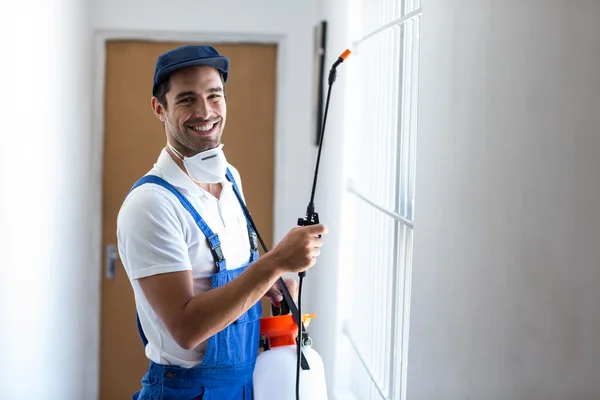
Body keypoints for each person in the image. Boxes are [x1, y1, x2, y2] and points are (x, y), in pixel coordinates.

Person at [116, 44, 327, 400]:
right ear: (160, 109)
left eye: (214, 96)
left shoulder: (231, 179)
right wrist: (275, 262)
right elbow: (186, 327)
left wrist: (269, 283)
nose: (205, 111)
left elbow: (226, 276)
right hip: (186, 391)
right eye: (186, 100)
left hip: (245, 384)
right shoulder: (151, 204)